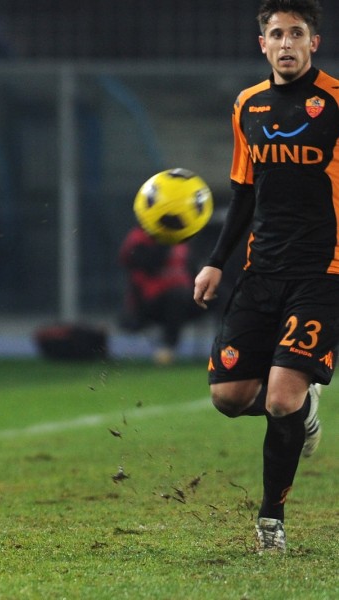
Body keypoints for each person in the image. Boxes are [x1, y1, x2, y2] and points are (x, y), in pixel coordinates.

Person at [193, 0, 330, 553]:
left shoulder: (337, 102)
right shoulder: (247, 105)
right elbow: (244, 192)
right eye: (277, 33)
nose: (288, 43)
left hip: (324, 272)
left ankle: (270, 523)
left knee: (278, 397)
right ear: (264, 45)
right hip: (261, 270)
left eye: (298, 32)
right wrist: (215, 261)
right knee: (229, 397)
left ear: (314, 42)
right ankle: (306, 409)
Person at [118, 225, 200, 365]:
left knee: (219, 293)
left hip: (185, 299)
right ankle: (167, 349)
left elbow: (193, 270)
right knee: (176, 297)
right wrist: (165, 241)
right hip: (150, 302)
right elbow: (144, 264)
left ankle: (230, 349)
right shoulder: (139, 237)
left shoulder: (184, 236)